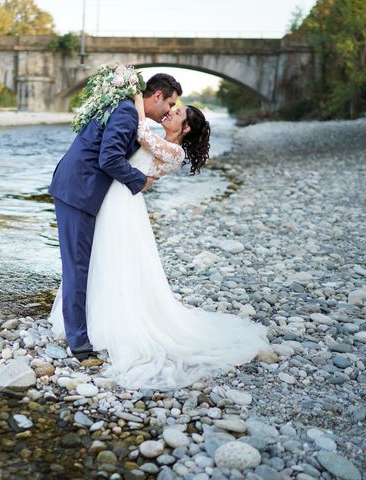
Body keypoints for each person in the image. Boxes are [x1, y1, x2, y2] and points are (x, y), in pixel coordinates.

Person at [49, 93, 271, 390]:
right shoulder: (157, 136)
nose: (169, 113)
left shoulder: (173, 150)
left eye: (175, 112)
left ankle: (113, 325)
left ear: (186, 128)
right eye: (170, 107)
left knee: (115, 260)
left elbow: (140, 137)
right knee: (100, 259)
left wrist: (135, 96)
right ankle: (91, 321)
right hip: (113, 196)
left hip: (124, 202)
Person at [48, 73, 182, 360]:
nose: (169, 111)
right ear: (156, 96)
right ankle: (79, 343)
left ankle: (84, 327)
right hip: (78, 191)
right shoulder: (126, 113)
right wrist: (139, 181)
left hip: (81, 188)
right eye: (169, 103)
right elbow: (108, 158)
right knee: (77, 267)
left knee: (85, 262)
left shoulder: (126, 109)